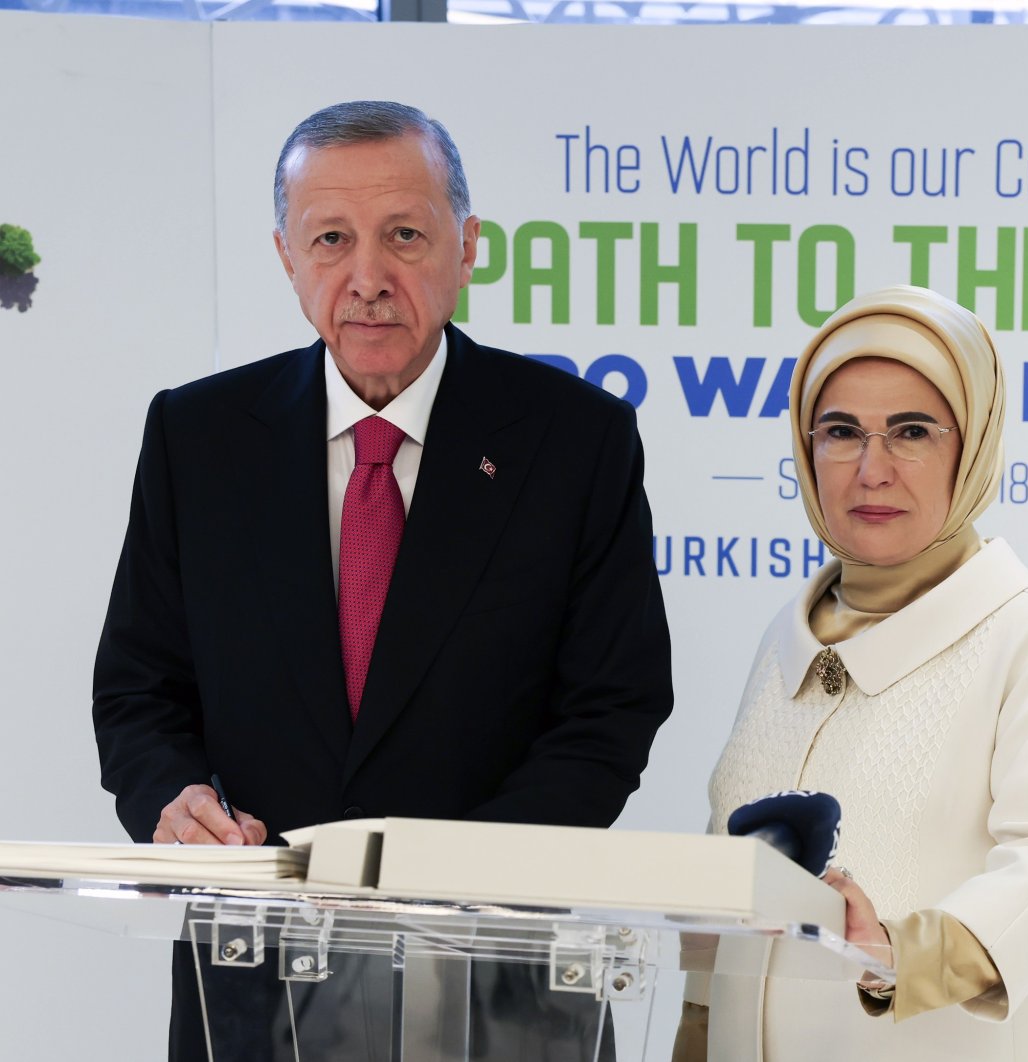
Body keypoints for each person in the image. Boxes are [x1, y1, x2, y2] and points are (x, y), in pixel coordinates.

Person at [91, 101, 673, 1060]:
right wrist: (172, 797)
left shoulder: (574, 439)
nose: (368, 278)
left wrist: (457, 877)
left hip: (501, 981)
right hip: (256, 982)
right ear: (287, 257)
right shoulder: (198, 438)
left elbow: (612, 706)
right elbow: (139, 688)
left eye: (405, 234)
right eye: (331, 239)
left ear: (467, 245)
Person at [688, 286, 1028, 1061]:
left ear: (973, 447)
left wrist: (900, 952)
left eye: (912, 432)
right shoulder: (784, 640)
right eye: (841, 432)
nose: (872, 469)